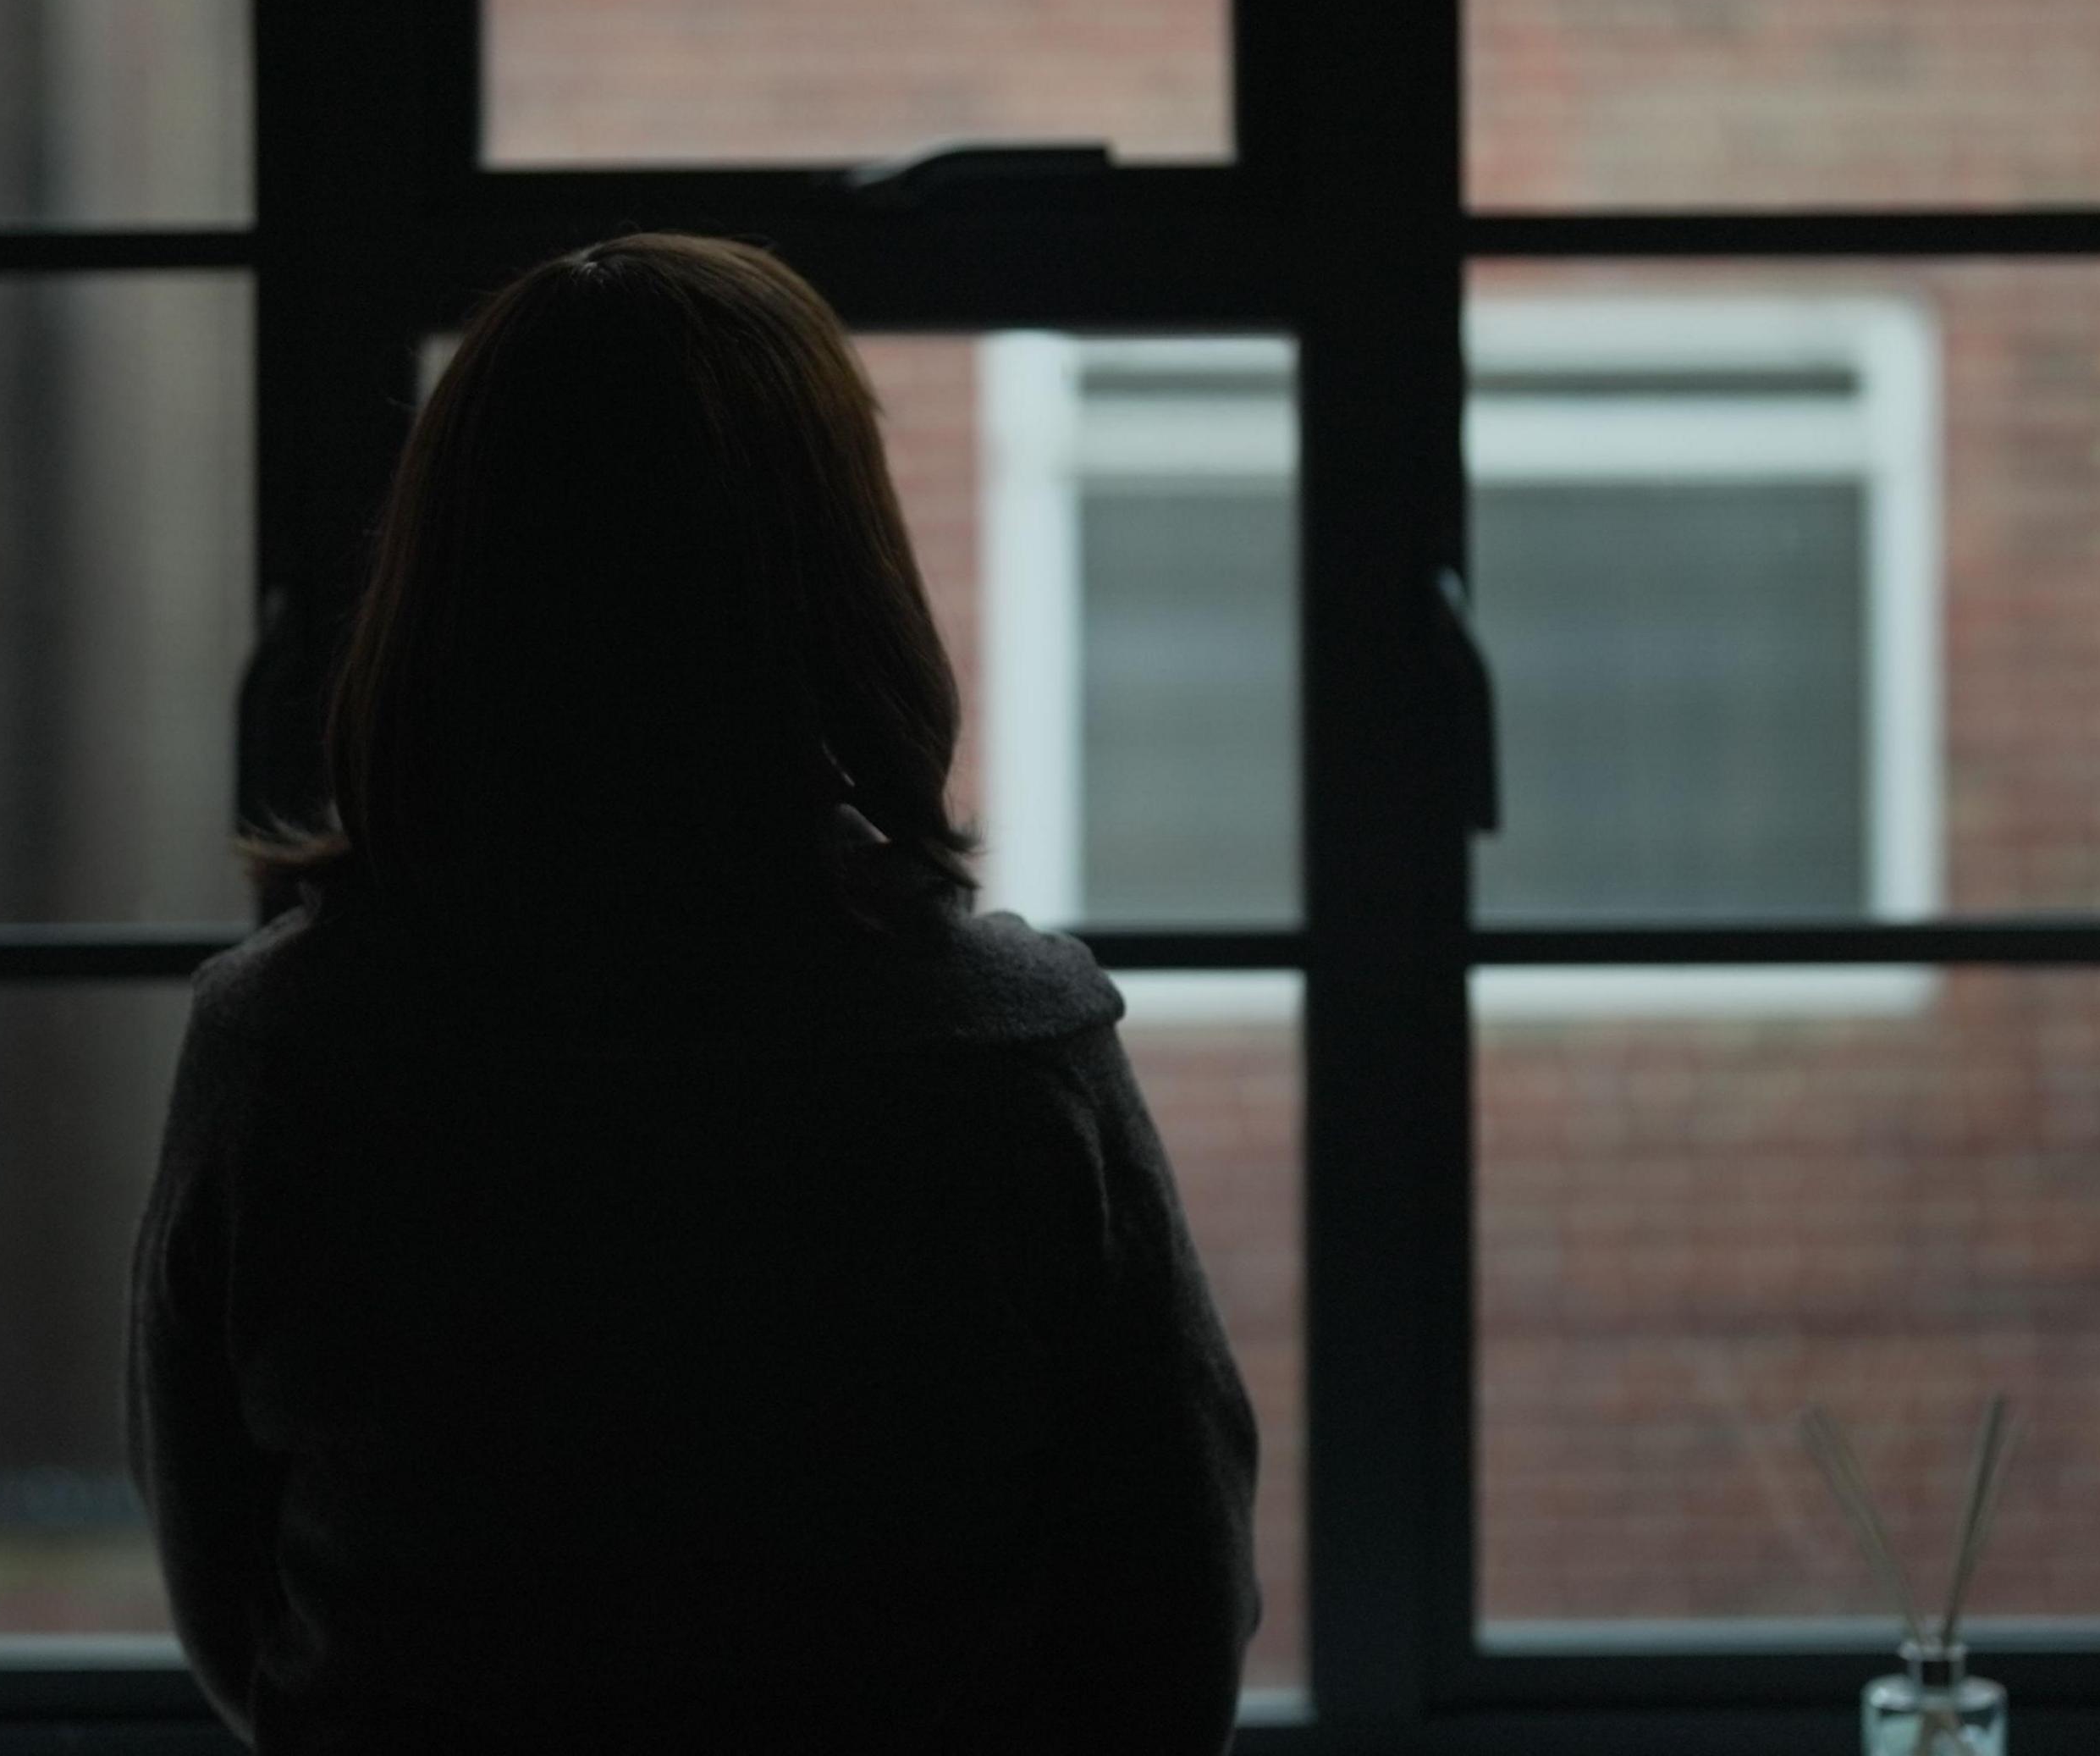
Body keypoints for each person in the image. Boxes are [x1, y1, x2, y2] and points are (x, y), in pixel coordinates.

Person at [128, 232, 1259, 1754]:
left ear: (447, 579)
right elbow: (1175, 1622)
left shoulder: (286, 1051)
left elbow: (228, 1600)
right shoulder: (1006, 1054)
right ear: (837, 579)